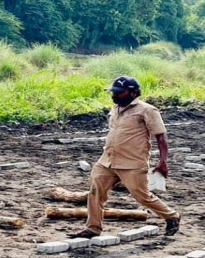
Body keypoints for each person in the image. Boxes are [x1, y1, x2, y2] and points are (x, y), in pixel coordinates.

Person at [70, 75, 181, 239]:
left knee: (142, 196)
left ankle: (171, 216)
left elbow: (161, 138)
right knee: (95, 192)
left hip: (132, 162)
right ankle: (93, 228)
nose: (114, 95)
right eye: (113, 92)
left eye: (119, 93)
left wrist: (163, 162)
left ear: (133, 93)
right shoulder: (116, 108)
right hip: (107, 160)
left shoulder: (147, 110)